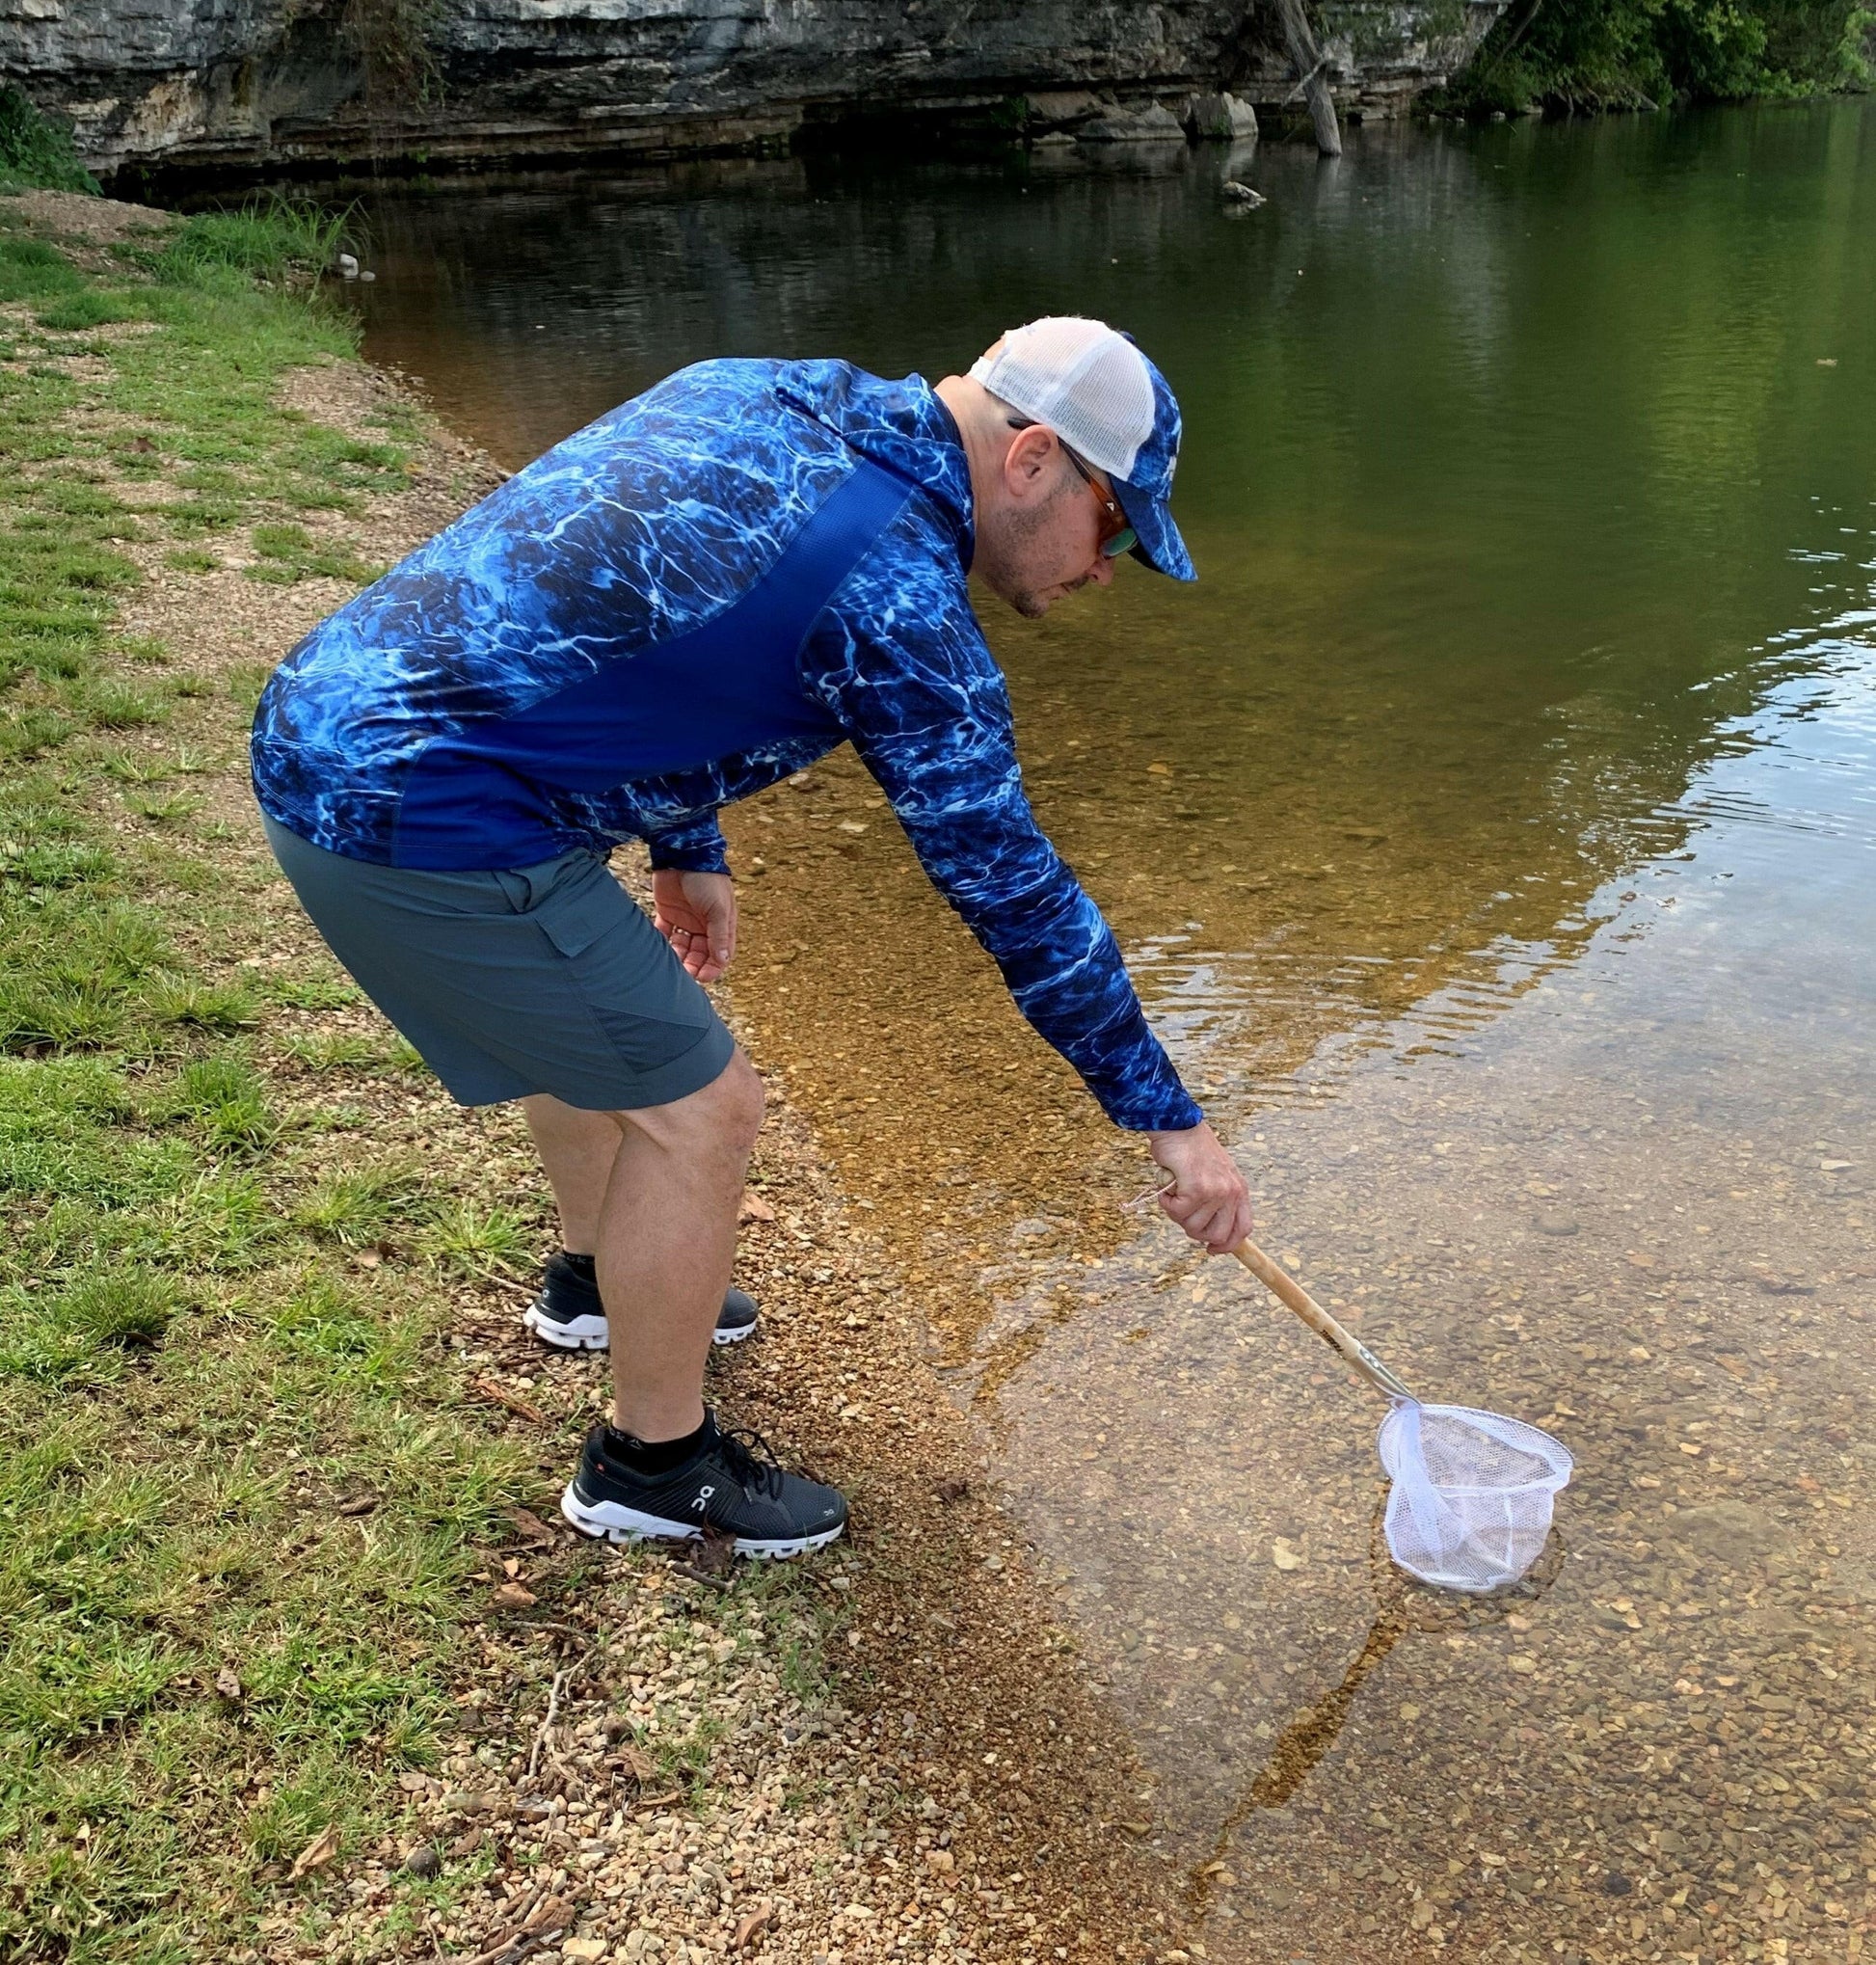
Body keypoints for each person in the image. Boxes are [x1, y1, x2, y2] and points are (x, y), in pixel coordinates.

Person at [251, 315, 1254, 1559]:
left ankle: (593, 1289)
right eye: (1115, 530)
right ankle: (653, 1470)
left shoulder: (766, 390)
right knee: (706, 1108)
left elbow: (647, 618)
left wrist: (688, 845)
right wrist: (1172, 1124)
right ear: (1035, 458)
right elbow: (1018, 899)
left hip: (337, 717)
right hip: (411, 815)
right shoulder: (898, 603)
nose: (1105, 571)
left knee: (614, 1021)